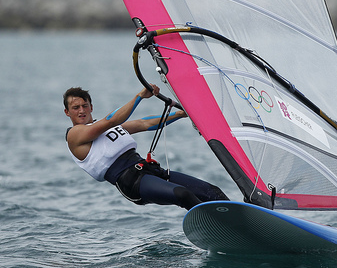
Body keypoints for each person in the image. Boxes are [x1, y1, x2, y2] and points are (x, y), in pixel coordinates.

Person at [64, 85, 228, 210]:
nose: (81, 110)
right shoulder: (74, 135)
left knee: (212, 192)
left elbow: (145, 123)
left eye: (84, 106)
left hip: (148, 170)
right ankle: (218, 227)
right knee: (182, 194)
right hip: (132, 183)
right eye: (75, 108)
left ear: (91, 107)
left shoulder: (107, 128)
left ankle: (241, 219)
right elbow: (110, 121)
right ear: (67, 112)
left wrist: (179, 114)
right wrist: (139, 96)